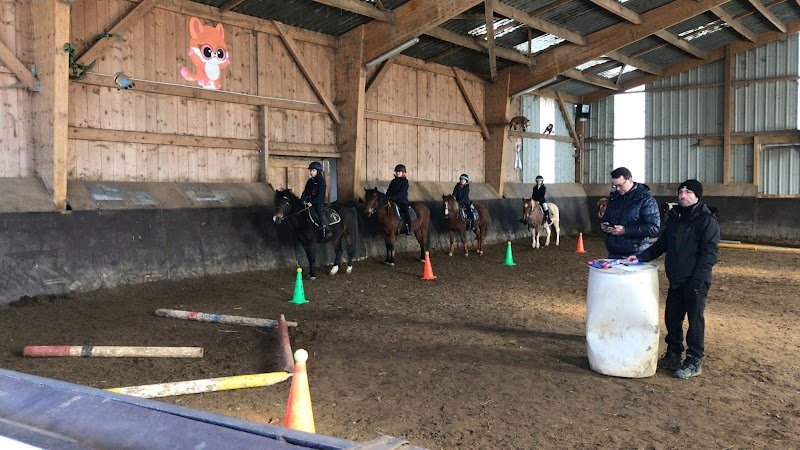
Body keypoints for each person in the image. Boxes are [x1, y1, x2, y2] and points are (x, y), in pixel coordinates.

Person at [624, 180, 720, 379]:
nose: (682, 195)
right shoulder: (675, 218)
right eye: (680, 192)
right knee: (672, 318)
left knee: (695, 321)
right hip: (676, 279)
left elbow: (709, 254)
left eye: (688, 192)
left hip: (695, 281)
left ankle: (694, 359)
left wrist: (698, 280)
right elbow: (662, 244)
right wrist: (640, 257)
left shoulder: (706, 220)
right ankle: (674, 353)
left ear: (697, 196)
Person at [600, 167, 660, 258]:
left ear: (630, 180)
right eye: (615, 186)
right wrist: (605, 225)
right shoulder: (614, 198)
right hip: (614, 251)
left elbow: (653, 227)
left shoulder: (645, 199)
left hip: (636, 253)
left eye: (620, 185)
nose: (618, 189)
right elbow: (607, 217)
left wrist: (625, 230)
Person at [301, 161, 331, 240]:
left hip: (318, 202)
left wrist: (312, 202)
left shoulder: (321, 181)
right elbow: (305, 192)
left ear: (318, 171)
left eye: (313, 170)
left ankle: (326, 229)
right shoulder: (310, 181)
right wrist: (302, 200)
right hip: (309, 201)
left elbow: (320, 195)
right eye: (310, 170)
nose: (311, 172)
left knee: (319, 212)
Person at [386, 164, 412, 235]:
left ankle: (408, 228)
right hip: (392, 201)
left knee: (406, 212)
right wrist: (386, 197)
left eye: (399, 171)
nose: (397, 173)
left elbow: (401, 193)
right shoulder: (393, 181)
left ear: (403, 173)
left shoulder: (405, 182)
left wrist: (392, 198)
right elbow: (388, 190)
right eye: (397, 171)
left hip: (402, 201)